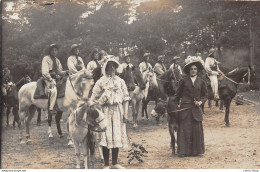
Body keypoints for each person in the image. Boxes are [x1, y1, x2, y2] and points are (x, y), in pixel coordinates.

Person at [90, 58, 130, 169]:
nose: (111, 69)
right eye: (109, 66)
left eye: (113, 66)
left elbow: (126, 98)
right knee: (106, 135)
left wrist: (125, 113)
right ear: (105, 68)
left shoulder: (120, 81)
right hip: (105, 111)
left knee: (116, 133)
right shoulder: (100, 81)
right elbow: (93, 98)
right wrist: (99, 104)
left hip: (117, 110)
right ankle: (106, 164)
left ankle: (115, 162)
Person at [172, 55, 207, 157]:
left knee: (196, 129)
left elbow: (206, 95)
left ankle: (196, 151)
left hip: (196, 109)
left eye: (195, 69)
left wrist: (200, 102)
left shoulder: (201, 82)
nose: (193, 70)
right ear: (188, 70)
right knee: (184, 129)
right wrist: (172, 105)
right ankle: (183, 151)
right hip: (185, 109)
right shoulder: (183, 81)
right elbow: (177, 95)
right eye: (191, 69)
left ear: (198, 70)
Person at [41, 44, 67, 114]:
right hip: (48, 78)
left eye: (55, 50)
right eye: (52, 50)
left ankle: (62, 104)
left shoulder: (57, 60)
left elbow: (59, 71)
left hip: (56, 78)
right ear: (50, 51)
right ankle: (51, 108)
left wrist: (66, 72)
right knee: (53, 90)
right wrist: (51, 79)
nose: (54, 52)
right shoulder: (46, 58)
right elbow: (45, 72)